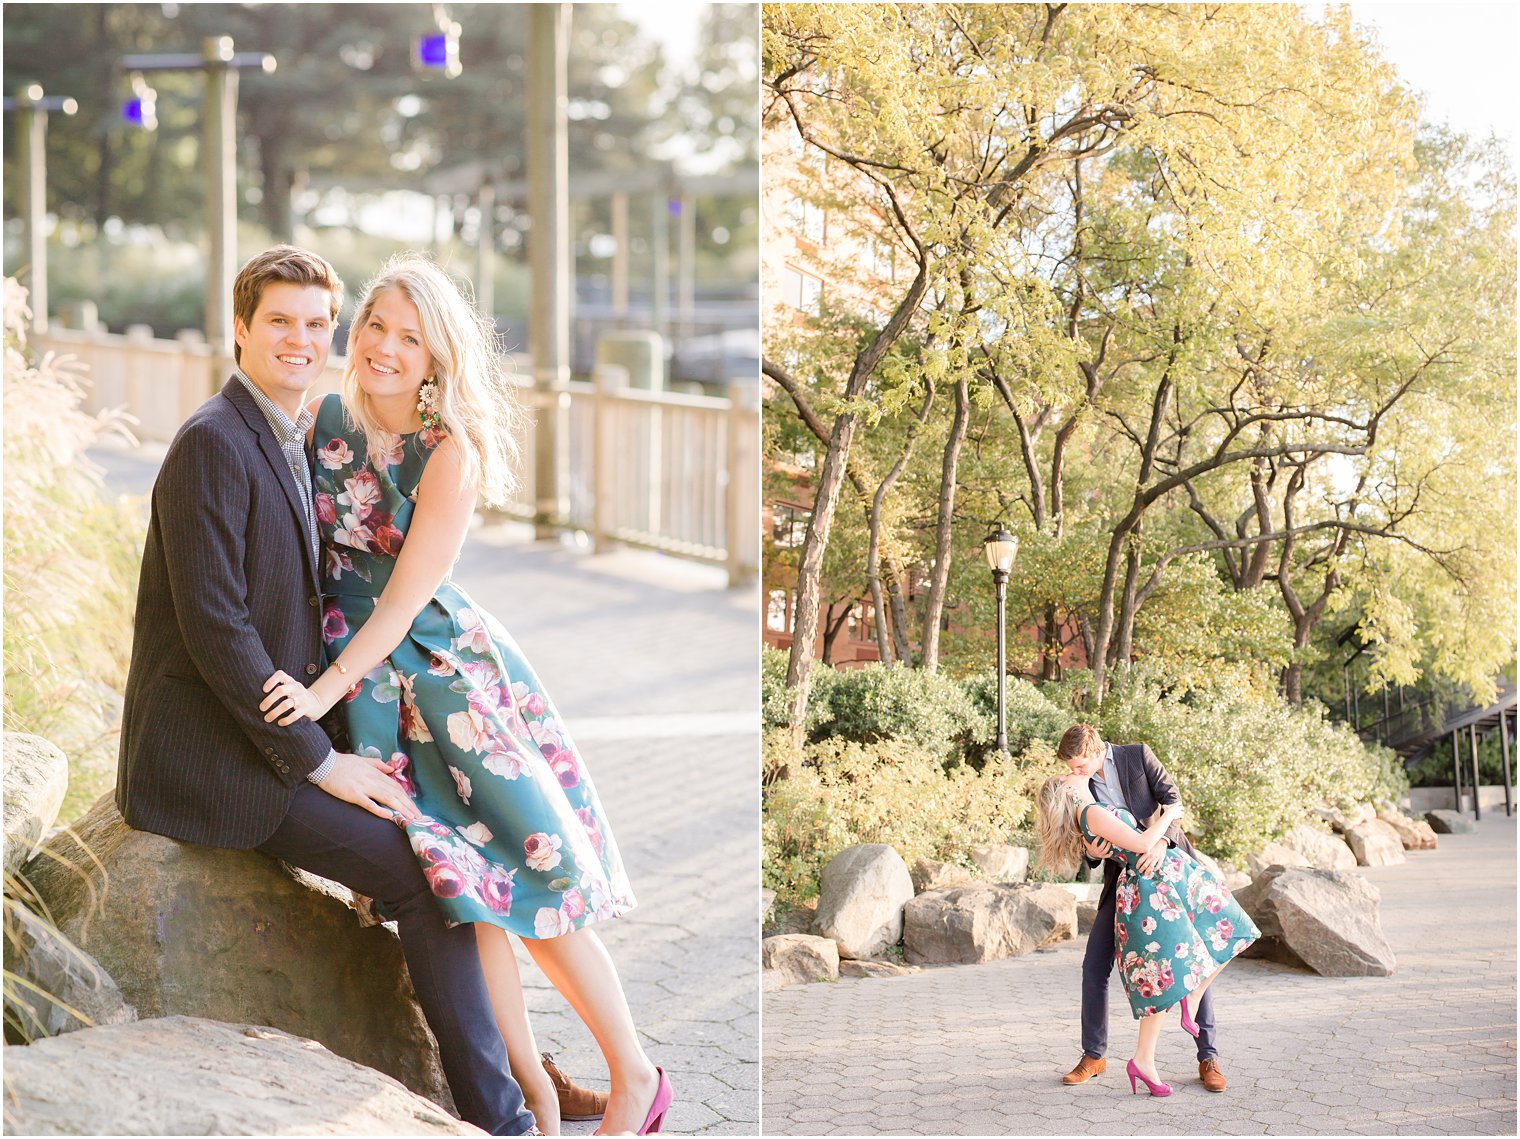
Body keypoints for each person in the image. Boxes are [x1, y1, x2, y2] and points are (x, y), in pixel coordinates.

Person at [116, 245, 538, 1135]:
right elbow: (217, 631)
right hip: (209, 758)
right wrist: (320, 764)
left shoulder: (288, 429)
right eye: (279, 321)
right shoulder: (213, 444)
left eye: (317, 323)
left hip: (261, 736)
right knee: (424, 873)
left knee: (440, 833)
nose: (301, 339)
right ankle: (502, 1120)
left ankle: (519, 1078)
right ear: (240, 329)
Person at [256, 252, 672, 1136]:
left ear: (439, 356)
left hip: (440, 685)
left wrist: (319, 690)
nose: (386, 348)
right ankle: (532, 1094)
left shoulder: (451, 455)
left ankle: (636, 1075)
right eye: (376, 326)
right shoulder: (323, 418)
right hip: (362, 689)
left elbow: (401, 603)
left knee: (532, 883)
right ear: (357, 327)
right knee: (462, 893)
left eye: (411, 338)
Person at [1039, 724, 1258, 1096]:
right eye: (1071, 768)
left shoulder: (1136, 755)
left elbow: (1174, 803)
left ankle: (1208, 1057)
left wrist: (1159, 845)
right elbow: (1087, 832)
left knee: (1198, 950)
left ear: (1094, 749)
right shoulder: (1081, 786)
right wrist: (1092, 852)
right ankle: (1094, 1056)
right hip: (1126, 879)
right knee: (1095, 966)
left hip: (1170, 864)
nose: (1075, 772)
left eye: (1078, 765)